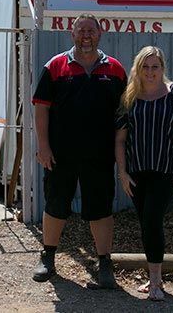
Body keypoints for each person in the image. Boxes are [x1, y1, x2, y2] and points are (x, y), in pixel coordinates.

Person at [31, 15, 127, 287]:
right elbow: (41, 108)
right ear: (72, 34)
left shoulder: (116, 70)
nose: (86, 35)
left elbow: (123, 113)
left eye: (91, 30)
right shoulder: (55, 66)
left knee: (101, 209)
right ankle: (48, 257)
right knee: (56, 204)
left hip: (100, 155)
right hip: (60, 154)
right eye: (81, 30)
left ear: (100, 33)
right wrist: (44, 146)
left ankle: (104, 264)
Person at [114, 46, 173, 301]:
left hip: (167, 172)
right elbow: (119, 139)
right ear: (138, 68)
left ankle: (155, 284)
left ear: (163, 69)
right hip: (137, 173)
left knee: (151, 220)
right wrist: (122, 173)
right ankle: (156, 278)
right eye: (146, 67)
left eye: (155, 67)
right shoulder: (129, 96)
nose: (150, 72)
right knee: (146, 224)